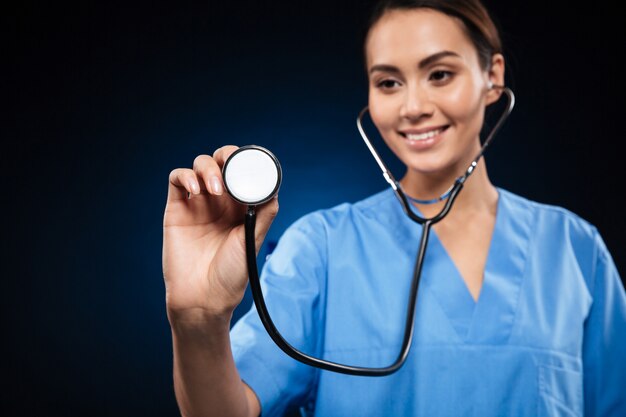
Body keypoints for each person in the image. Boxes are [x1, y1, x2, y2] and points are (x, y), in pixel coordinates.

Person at [162, 0, 626, 415]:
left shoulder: (575, 249)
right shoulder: (320, 248)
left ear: (493, 77)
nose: (413, 106)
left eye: (440, 74)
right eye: (388, 82)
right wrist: (198, 319)